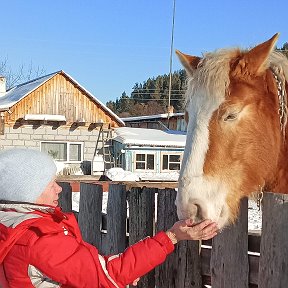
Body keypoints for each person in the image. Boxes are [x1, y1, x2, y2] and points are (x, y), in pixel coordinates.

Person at [0, 148, 218, 288]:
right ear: (28, 191)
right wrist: (172, 236)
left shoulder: (9, 227)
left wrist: (106, 274)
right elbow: (110, 274)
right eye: (50, 184)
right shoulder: (38, 239)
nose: (59, 189)